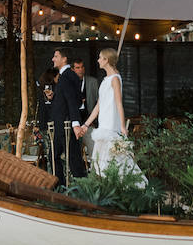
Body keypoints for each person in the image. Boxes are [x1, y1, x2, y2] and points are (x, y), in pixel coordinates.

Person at [76, 48, 145, 183]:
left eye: (100, 58)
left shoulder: (115, 79)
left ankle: (134, 185)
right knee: (101, 162)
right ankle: (110, 189)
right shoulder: (106, 79)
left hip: (111, 125)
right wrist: (85, 125)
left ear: (106, 60)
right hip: (104, 124)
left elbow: (119, 103)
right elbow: (98, 106)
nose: (98, 60)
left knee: (116, 160)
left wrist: (122, 127)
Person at [48, 47, 87, 183]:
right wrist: (54, 97)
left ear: (64, 59)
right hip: (61, 124)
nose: (53, 59)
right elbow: (76, 99)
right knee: (54, 156)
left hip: (66, 125)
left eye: (56, 56)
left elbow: (72, 101)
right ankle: (60, 186)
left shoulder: (66, 77)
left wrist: (75, 124)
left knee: (73, 159)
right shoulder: (68, 76)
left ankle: (82, 188)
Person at [72, 57, 100, 125]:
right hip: (74, 117)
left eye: (82, 67)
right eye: (78, 68)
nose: (80, 70)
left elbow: (99, 100)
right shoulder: (69, 83)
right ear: (73, 69)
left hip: (89, 116)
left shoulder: (93, 81)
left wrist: (94, 117)